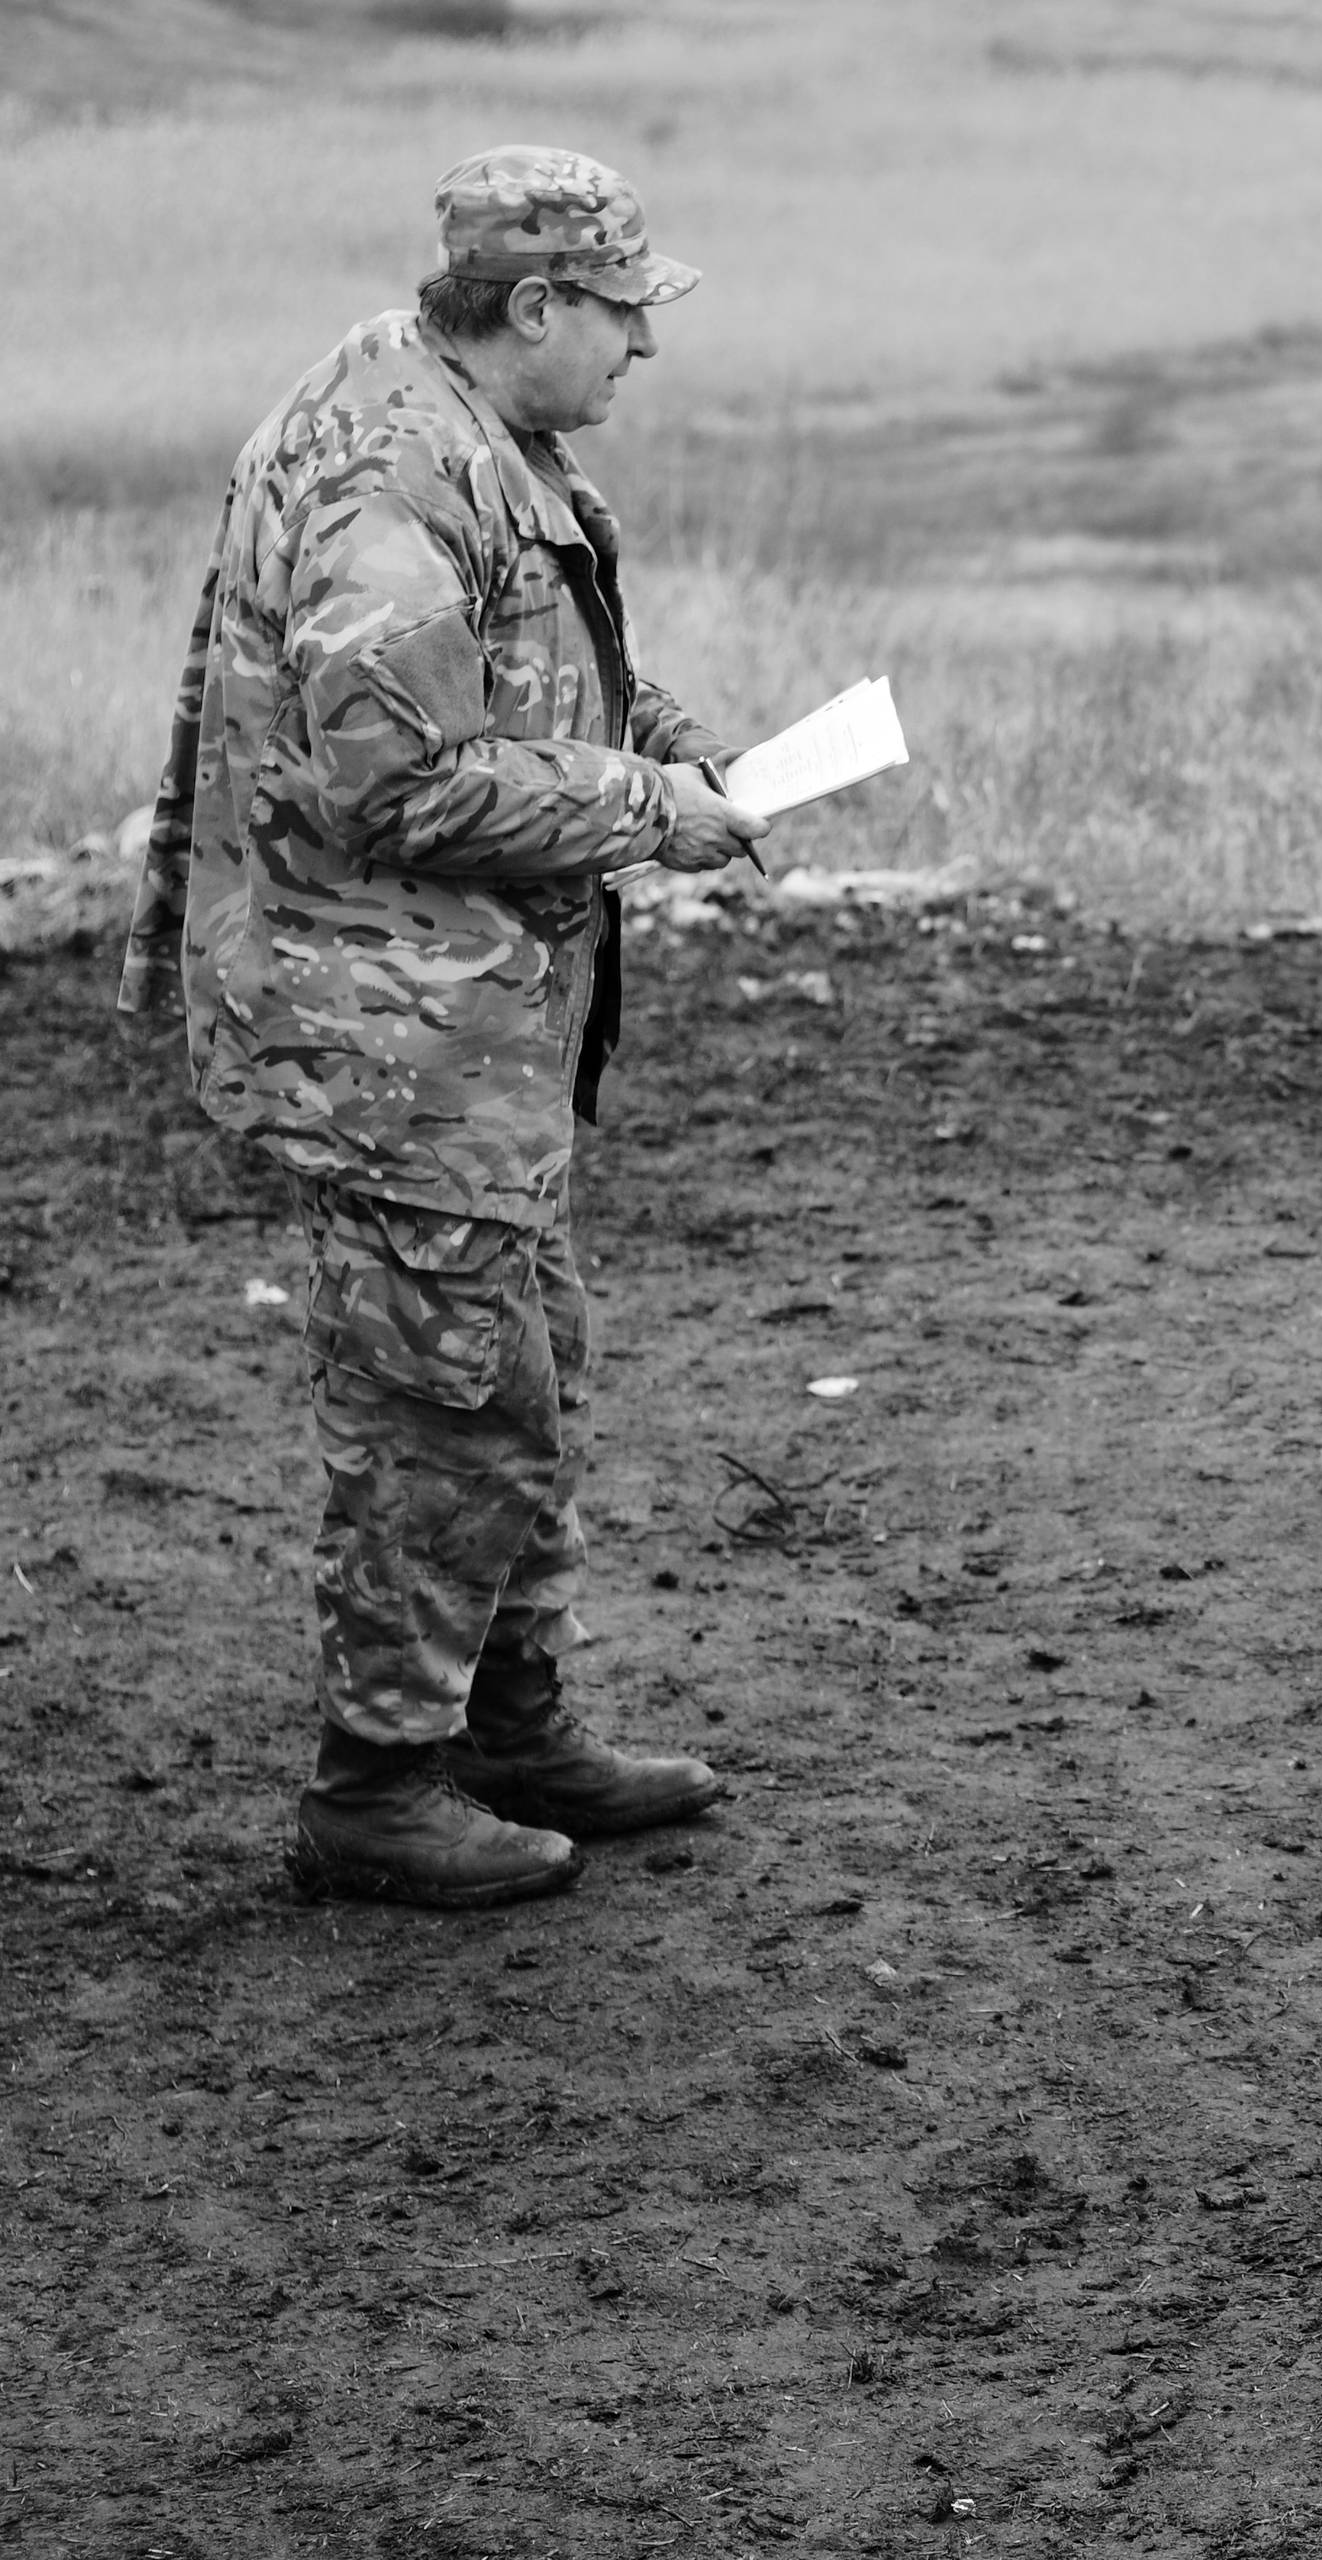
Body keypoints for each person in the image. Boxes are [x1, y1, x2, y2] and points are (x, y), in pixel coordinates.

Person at [116, 146, 770, 1909]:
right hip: (386, 1031)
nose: (646, 348)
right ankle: (378, 1788)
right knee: (445, 1404)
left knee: (519, 1373)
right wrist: (647, 809)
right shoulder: (388, 469)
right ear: (539, 304)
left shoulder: (476, 429)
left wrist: (671, 743)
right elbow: (402, 775)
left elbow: (524, 665)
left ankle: (512, 1728)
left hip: (469, 1025)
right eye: (627, 314)